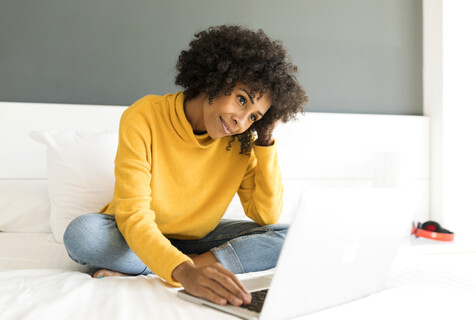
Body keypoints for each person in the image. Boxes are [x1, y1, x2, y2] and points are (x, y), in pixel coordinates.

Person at [63, 25, 307, 307]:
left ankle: (165, 266)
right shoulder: (145, 116)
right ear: (215, 79)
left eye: (254, 116)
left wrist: (264, 140)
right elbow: (133, 216)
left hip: (196, 242)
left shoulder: (241, 142)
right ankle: (180, 266)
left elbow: (267, 215)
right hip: (133, 235)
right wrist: (184, 273)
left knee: (290, 236)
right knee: (82, 234)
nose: (241, 120)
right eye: (241, 99)